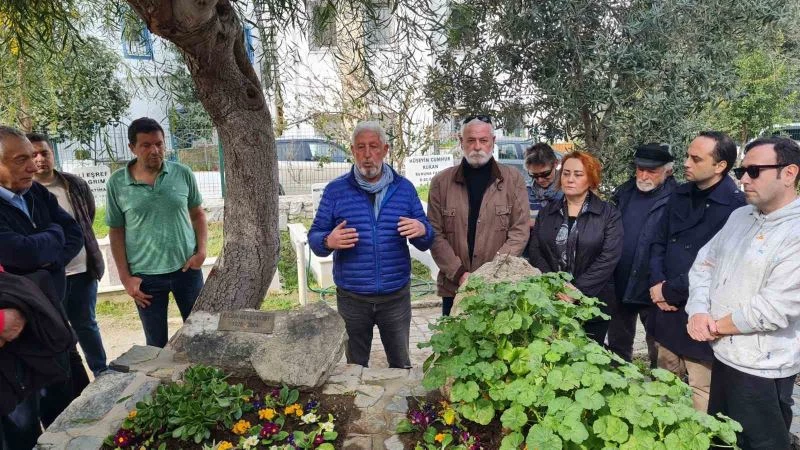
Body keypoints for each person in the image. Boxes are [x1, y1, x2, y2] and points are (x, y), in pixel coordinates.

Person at [686, 136, 800, 449]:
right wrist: (697, 310)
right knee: (723, 439)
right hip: (723, 355)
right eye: (741, 171)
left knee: (760, 443)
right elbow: (703, 266)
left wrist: (712, 326)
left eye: (754, 171)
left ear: (789, 173)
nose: (744, 179)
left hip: (762, 369)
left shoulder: (795, 232)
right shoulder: (739, 217)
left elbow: (776, 307)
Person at [308, 121, 433, 368]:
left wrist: (422, 229)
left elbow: (426, 239)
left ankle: (406, 406)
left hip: (395, 297)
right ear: (352, 151)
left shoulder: (404, 189)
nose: (367, 155)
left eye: (374, 147)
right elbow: (316, 238)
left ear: (385, 149)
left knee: (400, 365)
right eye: (361, 147)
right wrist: (328, 240)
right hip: (352, 297)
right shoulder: (336, 191)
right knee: (355, 367)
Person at [648, 131, 745, 412]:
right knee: (664, 380)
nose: (686, 163)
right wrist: (657, 284)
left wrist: (669, 290)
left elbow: (718, 267)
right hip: (665, 309)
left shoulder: (736, 209)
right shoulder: (678, 194)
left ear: (720, 166)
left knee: (701, 389)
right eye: (687, 155)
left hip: (700, 312)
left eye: (695, 158)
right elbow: (658, 241)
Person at [0, 127, 84, 449]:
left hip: (52, 319)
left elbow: (73, 231)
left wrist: (47, 265)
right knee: (23, 426)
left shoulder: (35, 192)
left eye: (33, 157)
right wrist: (47, 246)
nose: (34, 167)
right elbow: (18, 251)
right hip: (16, 342)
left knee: (72, 408)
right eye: (21, 160)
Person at [106, 117, 207, 348]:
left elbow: (198, 215)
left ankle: (200, 383)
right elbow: (116, 231)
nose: (155, 150)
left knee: (199, 337)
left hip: (186, 270)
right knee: (155, 344)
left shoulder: (182, 173)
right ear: (132, 148)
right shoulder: (117, 184)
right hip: (146, 278)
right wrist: (125, 278)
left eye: (159, 144)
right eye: (146, 145)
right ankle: (161, 384)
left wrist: (201, 252)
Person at [427, 116, 530, 316]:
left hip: (499, 287)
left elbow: (519, 231)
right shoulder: (441, 183)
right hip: (454, 287)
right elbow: (434, 233)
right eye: (471, 140)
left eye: (483, 140)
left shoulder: (512, 180)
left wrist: (491, 274)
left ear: (493, 141)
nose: (477, 146)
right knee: (454, 345)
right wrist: (459, 274)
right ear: (461, 142)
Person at [29, 133, 108, 376]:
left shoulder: (74, 184)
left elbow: (87, 219)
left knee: (87, 325)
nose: (40, 159)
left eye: (45, 152)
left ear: (53, 154)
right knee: (58, 330)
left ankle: (102, 373)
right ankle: (74, 380)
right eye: (33, 155)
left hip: (83, 271)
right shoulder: (25, 192)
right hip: (49, 277)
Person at [528, 151, 623, 345]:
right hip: (553, 300)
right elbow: (536, 251)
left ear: (591, 179)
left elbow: (609, 257)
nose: (570, 179)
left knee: (588, 357)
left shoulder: (607, 214)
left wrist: (576, 290)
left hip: (593, 301)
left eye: (578, 175)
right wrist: (555, 286)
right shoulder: (548, 212)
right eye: (566, 173)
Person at [607, 143, 677, 364]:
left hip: (655, 287)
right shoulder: (624, 191)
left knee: (660, 350)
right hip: (621, 283)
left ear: (668, 171)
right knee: (618, 347)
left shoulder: (679, 198)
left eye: (651, 171)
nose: (644, 175)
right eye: (640, 169)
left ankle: (661, 394)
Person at [524, 142, 563, 222]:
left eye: (545, 174)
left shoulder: (568, 189)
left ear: (555, 164)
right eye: (534, 175)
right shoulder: (524, 191)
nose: (540, 180)